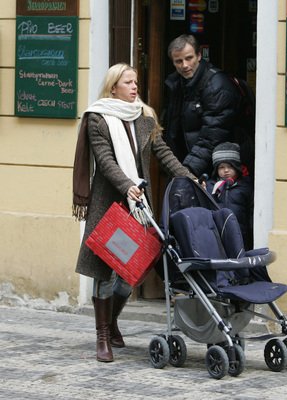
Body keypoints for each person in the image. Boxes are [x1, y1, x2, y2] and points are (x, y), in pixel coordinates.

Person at [72, 63, 196, 363]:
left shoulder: (144, 117)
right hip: (109, 204)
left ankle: (112, 321)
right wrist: (127, 185)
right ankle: (103, 336)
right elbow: (105, 161)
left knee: (131, 273)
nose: (134, 87)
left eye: (136, 82)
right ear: (113, 87)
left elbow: (162, 152)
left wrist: (188, 177)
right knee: (105, 273)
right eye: (128, 82)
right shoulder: (97, 118)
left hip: (138, 207)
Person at [163, 34, 242, 177]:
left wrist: (188, 170)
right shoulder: (176, 84)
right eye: (178, 61)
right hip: (186, 165)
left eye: (189, 58)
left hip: (213, 170)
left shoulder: (216, 85)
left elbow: (213, 135)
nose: (185, 65)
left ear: (199, 56)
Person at [206, 142, 253, 248]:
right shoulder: (210, 187)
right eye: (221, 167)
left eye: (230, 166)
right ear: (216, 169)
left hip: (240, 234)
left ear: (237, 167)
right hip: (216, 233)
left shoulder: (245, 186)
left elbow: (250, 212)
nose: (226, 170)